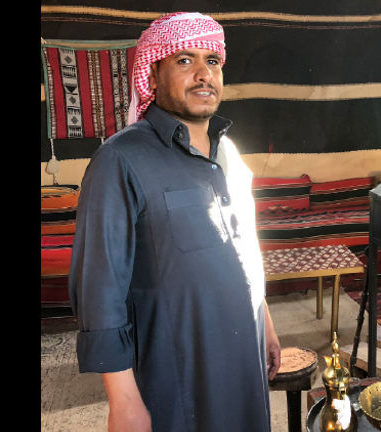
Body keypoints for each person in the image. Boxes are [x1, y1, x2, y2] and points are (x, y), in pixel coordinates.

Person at [68, 12, 281, 432]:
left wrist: (267, 325)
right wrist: (123, 402)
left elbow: (243, 247)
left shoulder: (229, 153)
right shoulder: (120, 160)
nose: (204, 74)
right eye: (185, 60)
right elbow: (98, 291)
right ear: (152, 73)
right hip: (177, 374)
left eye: (212, 61)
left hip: (246, 357)